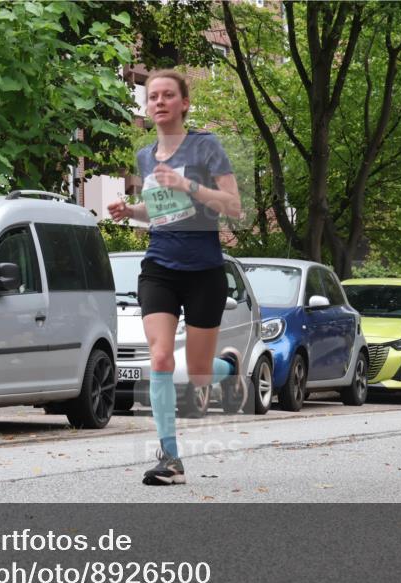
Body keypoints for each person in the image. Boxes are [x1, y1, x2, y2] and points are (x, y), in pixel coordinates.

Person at [107, 70, 244, 486]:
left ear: (184, 103)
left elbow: (234, 206)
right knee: (162, 359)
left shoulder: (206, 147)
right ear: (147, 107)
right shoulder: (146, 156)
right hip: (160, 267)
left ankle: (230, 370)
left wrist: (188, 183)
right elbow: (162, 209)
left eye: (169, 95)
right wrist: (132, 212)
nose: (160, 102)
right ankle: (170, 458)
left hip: (204, 270)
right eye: (153, 97)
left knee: (199, 373)